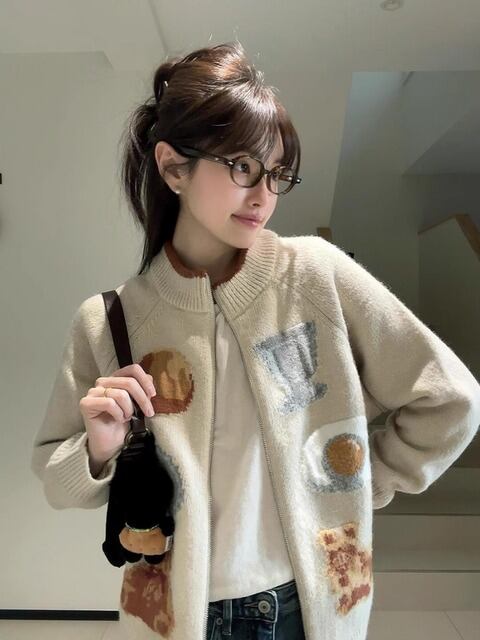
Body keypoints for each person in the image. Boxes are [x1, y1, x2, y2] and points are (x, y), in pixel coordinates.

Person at [30, 41, 480, 640]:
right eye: (242, 166)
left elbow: (450, 399)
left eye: (277, 173)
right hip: (172, 616)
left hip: (305, 608)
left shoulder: (314, 275)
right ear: (173, 167)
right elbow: (54, 474)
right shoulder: (109, 320)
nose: (264, 193)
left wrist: (359, 482)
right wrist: (97, 448)